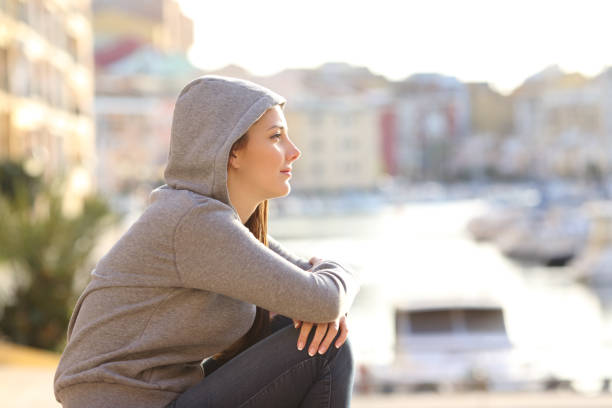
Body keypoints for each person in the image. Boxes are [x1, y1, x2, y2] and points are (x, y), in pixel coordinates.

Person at [53, 75, 361, 408]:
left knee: (305, 328)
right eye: (275, 137)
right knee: (327, 346)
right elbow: (325, 298)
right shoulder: (193, 223)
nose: (294, 151)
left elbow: (313, 292)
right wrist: (338, 279)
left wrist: (328, 294)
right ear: (232, 153)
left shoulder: (216, 223)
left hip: (168, 399)